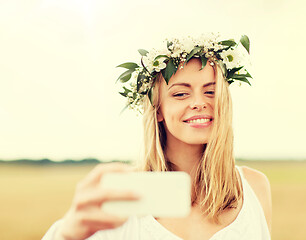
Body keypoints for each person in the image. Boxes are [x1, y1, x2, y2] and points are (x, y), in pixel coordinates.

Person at [42, 34, 272, 240]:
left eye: (211, 92)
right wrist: (66, 234)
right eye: (181, 94)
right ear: (157, 109)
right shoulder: (125, 193)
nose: (200, 103)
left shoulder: (254, 187)